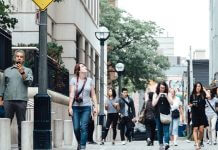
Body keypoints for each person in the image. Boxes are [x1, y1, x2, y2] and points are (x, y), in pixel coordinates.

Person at [0, 50, 33, 150]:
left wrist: (22, 72)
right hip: (8, 100)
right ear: (15, 58)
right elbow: (2, 87)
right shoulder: (7, 71)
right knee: (5, 124)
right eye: (17, 56)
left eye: (21, 57)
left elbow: (29, 82)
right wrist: (1, 99)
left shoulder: (28, 70)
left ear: (23, 59)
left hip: (21, 100)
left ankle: (21, 146)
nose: (19, 58)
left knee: (21, 124)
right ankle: (2, 145)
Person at [68, 63, 98, 150]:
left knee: (84, 127)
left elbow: (93, 95)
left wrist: (96, 107)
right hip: (75, 107)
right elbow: (72, 94)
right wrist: (70, 107)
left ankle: (82, 147)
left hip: (86, 107)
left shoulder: (90, 80)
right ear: (78, 70)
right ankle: (80, 143)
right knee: (76, 128)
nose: (85, 67)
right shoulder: (73, 80)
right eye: (83, 66)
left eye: (85, 66)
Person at [152, 81, 173, 150]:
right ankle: (161, 144)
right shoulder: (155, 94)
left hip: (166, 115)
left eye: (163, 88)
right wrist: (159, 96)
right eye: (161, 88)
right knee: (160, 130)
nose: (162, 89)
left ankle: (166, 143)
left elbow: (171, 103)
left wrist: (166, 96)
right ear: (158, 87)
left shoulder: (168, 94)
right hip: (158, 115)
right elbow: (153, 104)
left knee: (166, 130)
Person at [189, 82, 210, 150]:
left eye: (199, 86)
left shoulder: (203, 94)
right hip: (195, 113)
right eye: (197, 86)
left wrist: (204, 89)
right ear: (195, 87)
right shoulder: (192, 95)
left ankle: (199, 141)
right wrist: (191, 105)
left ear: (201, 87)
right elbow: (189, 104)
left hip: (202, 114)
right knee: (195, 129)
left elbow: (209, 96)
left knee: (201, 130)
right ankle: (197, 144)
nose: (198, 87)